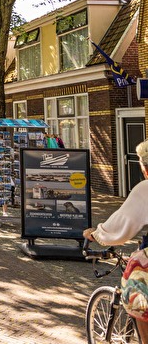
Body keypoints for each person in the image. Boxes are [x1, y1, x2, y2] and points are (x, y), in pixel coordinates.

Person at [83, 139, 148, 342]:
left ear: (145, 167)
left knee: (137, 291)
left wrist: (96, 234)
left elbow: (122, 224)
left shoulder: (144, 189)